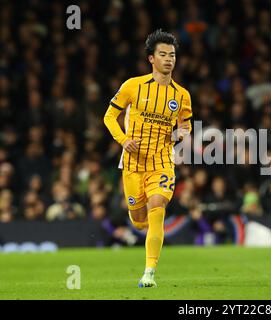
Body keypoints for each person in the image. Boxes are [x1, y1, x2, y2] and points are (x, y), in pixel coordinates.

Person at [103, 30, 193, 288]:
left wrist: (179, 133)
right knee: (139, 219)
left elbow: (185, 126)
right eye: (163, 54)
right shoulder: (132, 86)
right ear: (151, 59)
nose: (169, 59)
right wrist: (123, 140)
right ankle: (138, 220)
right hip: (133, 163)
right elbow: (109, 117)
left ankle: (149, 272)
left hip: (162, 161)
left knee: (158, 207)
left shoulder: (181, 95)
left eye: (172, 55)